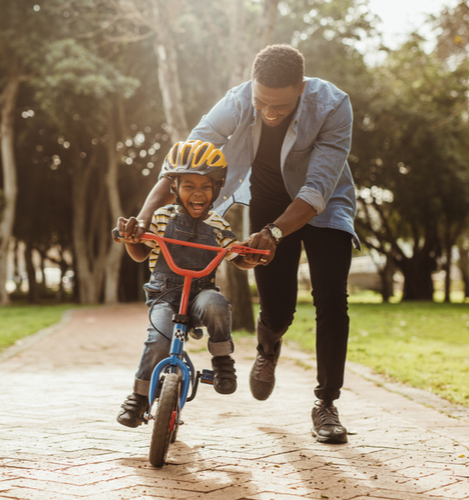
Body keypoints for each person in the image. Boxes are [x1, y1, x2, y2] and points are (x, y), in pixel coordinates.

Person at [122, 44, 359, 443]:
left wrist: (276, 234)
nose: (269, 113)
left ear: (301, 88)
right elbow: (184, 161)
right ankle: (268, 348)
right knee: (278, 309)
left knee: (331, 298)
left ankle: (326, 404)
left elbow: (317, 187)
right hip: (269, 199)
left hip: (325, 203)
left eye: (280, 107)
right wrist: (144, 217)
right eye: (262, 102)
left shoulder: (333, 106)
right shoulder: (236, 101)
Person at [115, 140, 259, 428]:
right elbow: (141, 252)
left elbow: (236, 256)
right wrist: (132, 240)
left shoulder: (218, 225)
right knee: (158, 339)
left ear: (217, 189)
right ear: (174, 189)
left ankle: (222, 361)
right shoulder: (159, 218)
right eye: (189, 185)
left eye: (206, 187)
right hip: (165, 295)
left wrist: (252, 257)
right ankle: (139, 397)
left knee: (217, 305)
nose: (198, 193)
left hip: (200, 294)